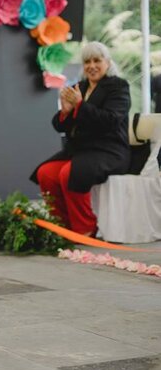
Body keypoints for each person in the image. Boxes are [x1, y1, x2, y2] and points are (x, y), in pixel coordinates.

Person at [30, 41, 130, 236]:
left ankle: (85, 228)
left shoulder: (118, 86)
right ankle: (62, 226)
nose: (91, 66)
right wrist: (66, 112)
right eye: (87, 61)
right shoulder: (79, 87)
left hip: (109, 150)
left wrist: (80, 106)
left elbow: (111, 120)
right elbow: (60, 126)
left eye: (96, 60)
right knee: (46, 173)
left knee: (70, 173)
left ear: (107, 63)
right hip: (80, 151)